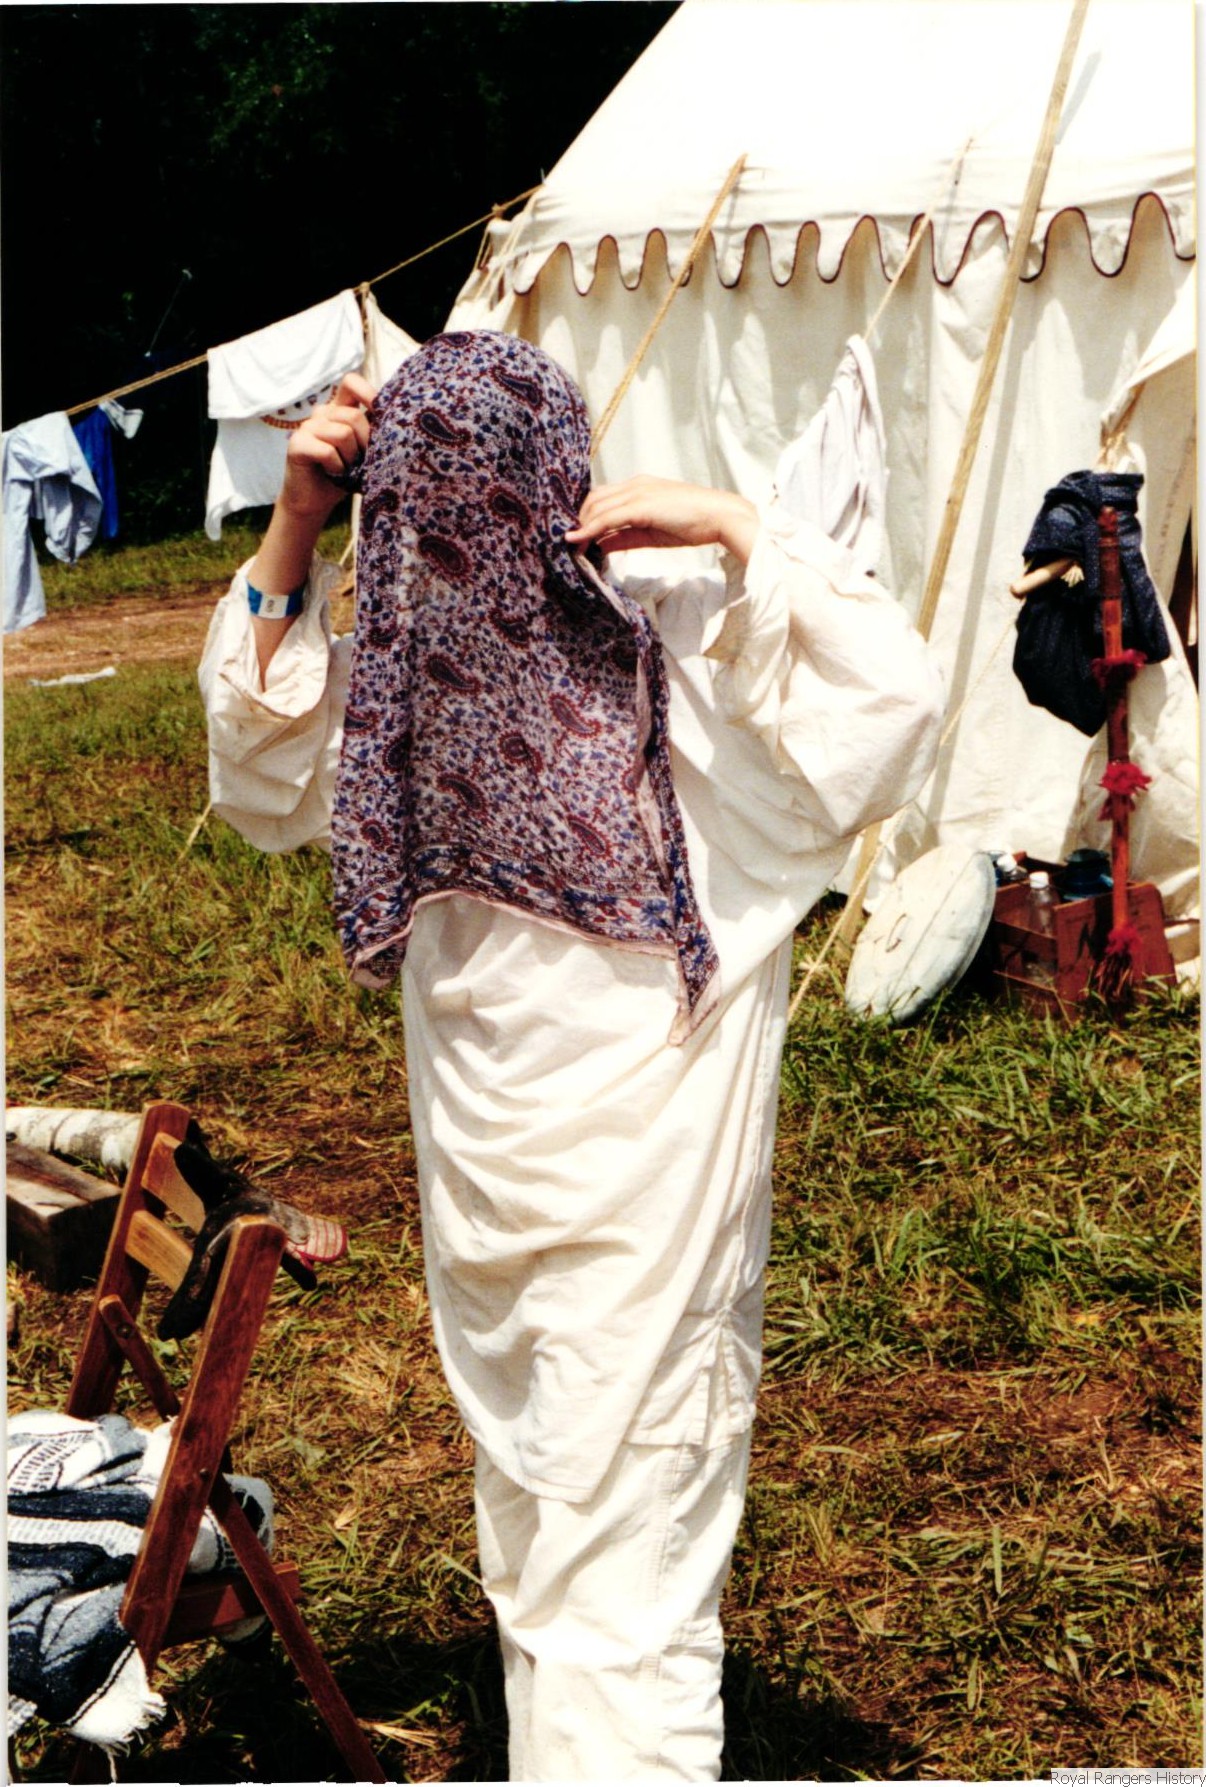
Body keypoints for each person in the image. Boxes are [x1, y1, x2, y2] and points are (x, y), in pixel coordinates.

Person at [200, 329, 943, 1782]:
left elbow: (260, 760)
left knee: (582, 1539)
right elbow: (886, 705)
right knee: (589, 1543)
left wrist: (299, 520)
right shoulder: (496, 671)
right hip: (543, 1208)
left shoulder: (574, 655)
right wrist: (737, 524)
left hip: (601, 1213)